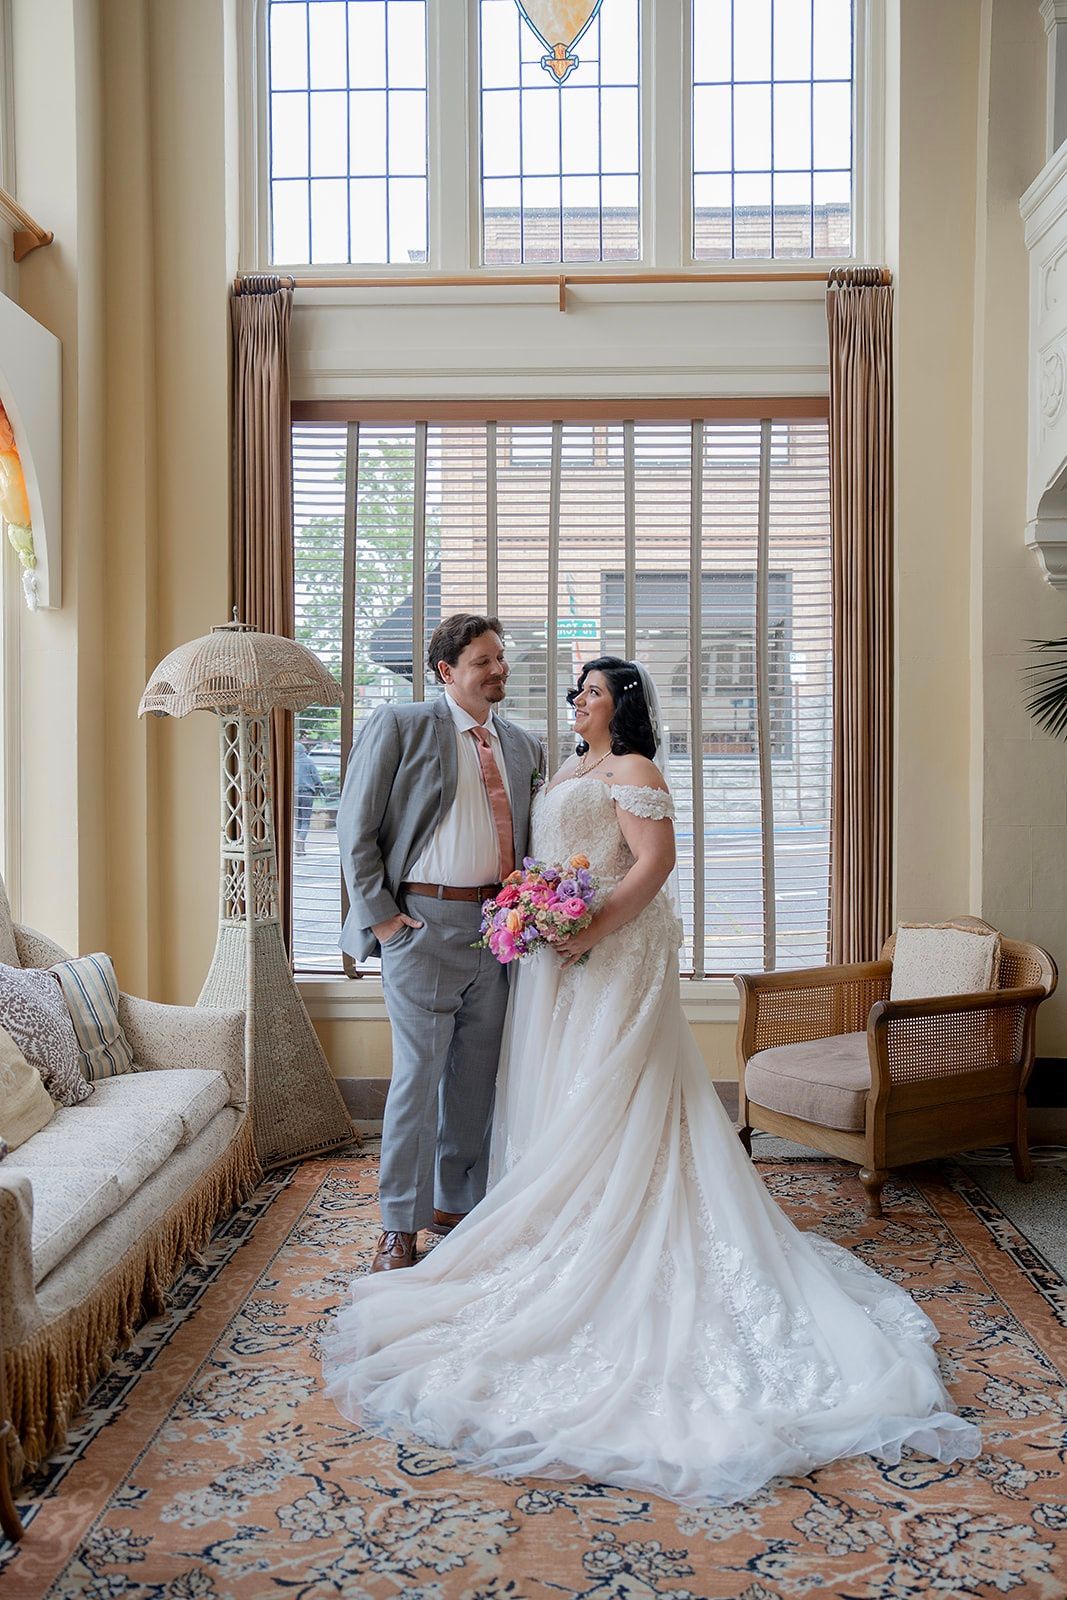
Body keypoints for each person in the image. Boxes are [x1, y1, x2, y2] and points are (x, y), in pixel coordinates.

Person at [324, 655, 981, 1508]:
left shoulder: (633, 770)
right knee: (554, 1092)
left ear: (620, 705)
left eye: (592, 691)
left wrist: (590, 926)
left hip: (611, 952)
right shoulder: (563, 765)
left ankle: (616, 1220)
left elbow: (653, 863)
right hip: (556, 956)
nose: (577, 699)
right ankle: (548, 1218)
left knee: (611, 1089)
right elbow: (543, 851)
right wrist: (537, 912)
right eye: (577, 690)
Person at [336, 614, 545, 1275]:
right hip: (421, 927)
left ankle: (459, 1207)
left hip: (498, 933)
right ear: (446, 671)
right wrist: (385, 924)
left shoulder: (522, 745)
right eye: (482, 660)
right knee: (416, 1083)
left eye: (499, 658)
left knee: (475, 1083)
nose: (497, 669)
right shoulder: (402, 726)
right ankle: (400, 1224)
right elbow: (355, 828)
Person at [294, 734, 324, 857]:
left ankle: (300, 848)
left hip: (294, 794)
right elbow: (317, 779)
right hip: (307, 793)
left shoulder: (292, 762)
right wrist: (322, 790)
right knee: (305, 820)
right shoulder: (308, 761)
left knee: (298, 819)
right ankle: (301, 840)